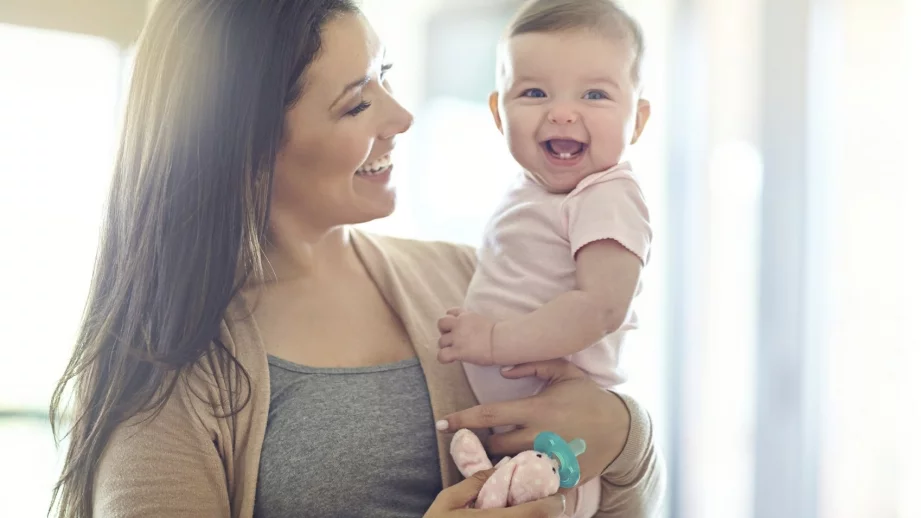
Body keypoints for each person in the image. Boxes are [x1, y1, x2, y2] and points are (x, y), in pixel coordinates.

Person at [48, 1, 664, 517]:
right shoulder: (164, 368)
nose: (401, 116)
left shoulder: (470, 277)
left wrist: (624, 434)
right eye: (355, 103)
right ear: (246, 144)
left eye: (385, 75)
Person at [435, 1, 652, 515]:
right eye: (534, 92)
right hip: (527, 430)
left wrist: (494, 340)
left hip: (565, 435)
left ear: (637, 119)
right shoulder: (532, 190)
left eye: (595, 94)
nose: (562, 112)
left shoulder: (607, 195)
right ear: (497, 112)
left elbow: (601, 306)